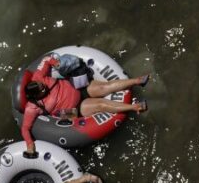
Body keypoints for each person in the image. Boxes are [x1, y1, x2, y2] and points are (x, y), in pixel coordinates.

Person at [21, 54, 150, 156]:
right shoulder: (32, 107)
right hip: (74, 109)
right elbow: (25, 128)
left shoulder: (38, 77)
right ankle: (135, 107)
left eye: (43, 85)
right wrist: (29, 145)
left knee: (104, 87)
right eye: (42, 90)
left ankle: (137, 81)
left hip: (77, 87)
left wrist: (56, 63)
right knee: (101, 105)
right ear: (36, 96)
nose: (45, 88)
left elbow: (46, 59)